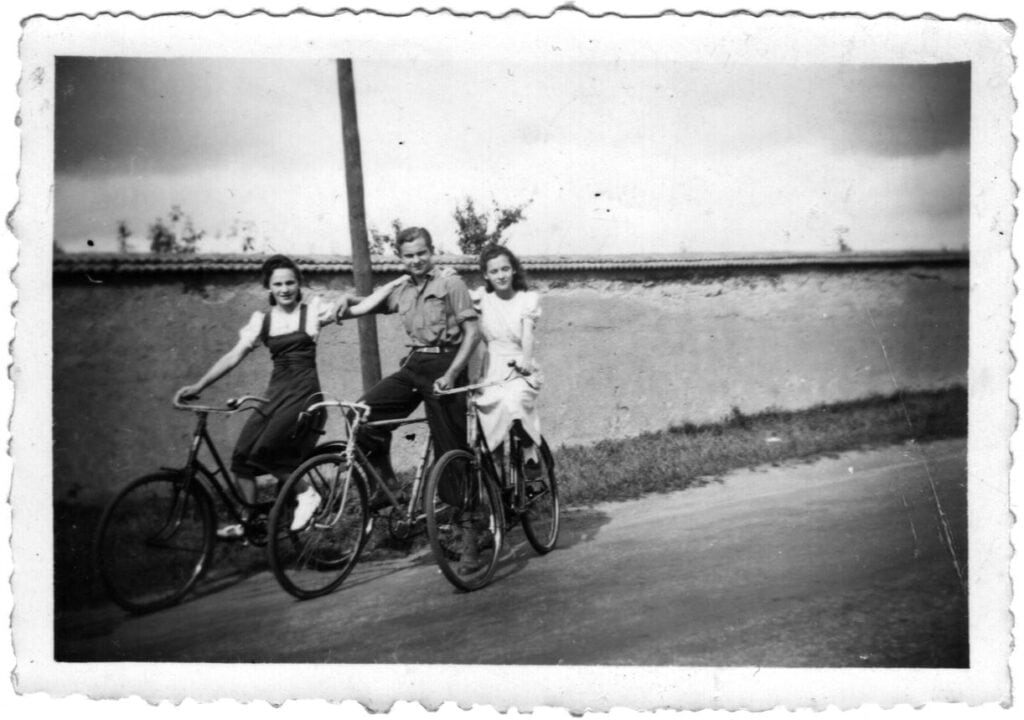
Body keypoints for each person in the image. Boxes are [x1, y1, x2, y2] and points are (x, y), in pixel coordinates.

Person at [176, 254, 341, 538]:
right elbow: (233, 355)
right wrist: (199, 385)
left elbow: (359, 307)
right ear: (269, 287)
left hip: (304, 395)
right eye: (278, 284)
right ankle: (249, 522)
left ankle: (308, 494)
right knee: (242, 457)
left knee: (266, 453)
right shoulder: (262, 321)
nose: (285, 289)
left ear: (298, 284)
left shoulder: (311, 313)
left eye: (290, 282)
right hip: (275, 397)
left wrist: (349, 300)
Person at [334, 226, 480, 510]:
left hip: (446, 364)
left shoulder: (452, 284)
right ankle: (386, 484)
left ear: (432, 251)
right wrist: (346, 299)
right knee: (360, 418)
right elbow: (370, 304)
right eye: (409, 255)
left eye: (421, 253)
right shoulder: (403, 289)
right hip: (415, 365)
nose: (416, 260)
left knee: (450, 450)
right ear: (401, 258)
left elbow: (473, 334)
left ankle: (468, 527)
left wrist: (451, 375)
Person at [469, 244, 544, 467]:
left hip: (519, 365)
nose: (500, 275)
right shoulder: (482, 299)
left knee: (515, 403)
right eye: (494, 271)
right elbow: (456, 296)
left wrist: (527, 362)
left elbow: (527, 334)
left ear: (513, 270)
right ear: (486, 275)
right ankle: (499, 488)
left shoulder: (526, 299)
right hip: (491, 369)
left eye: (504, 269)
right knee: (490, 415)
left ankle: (531, 462)